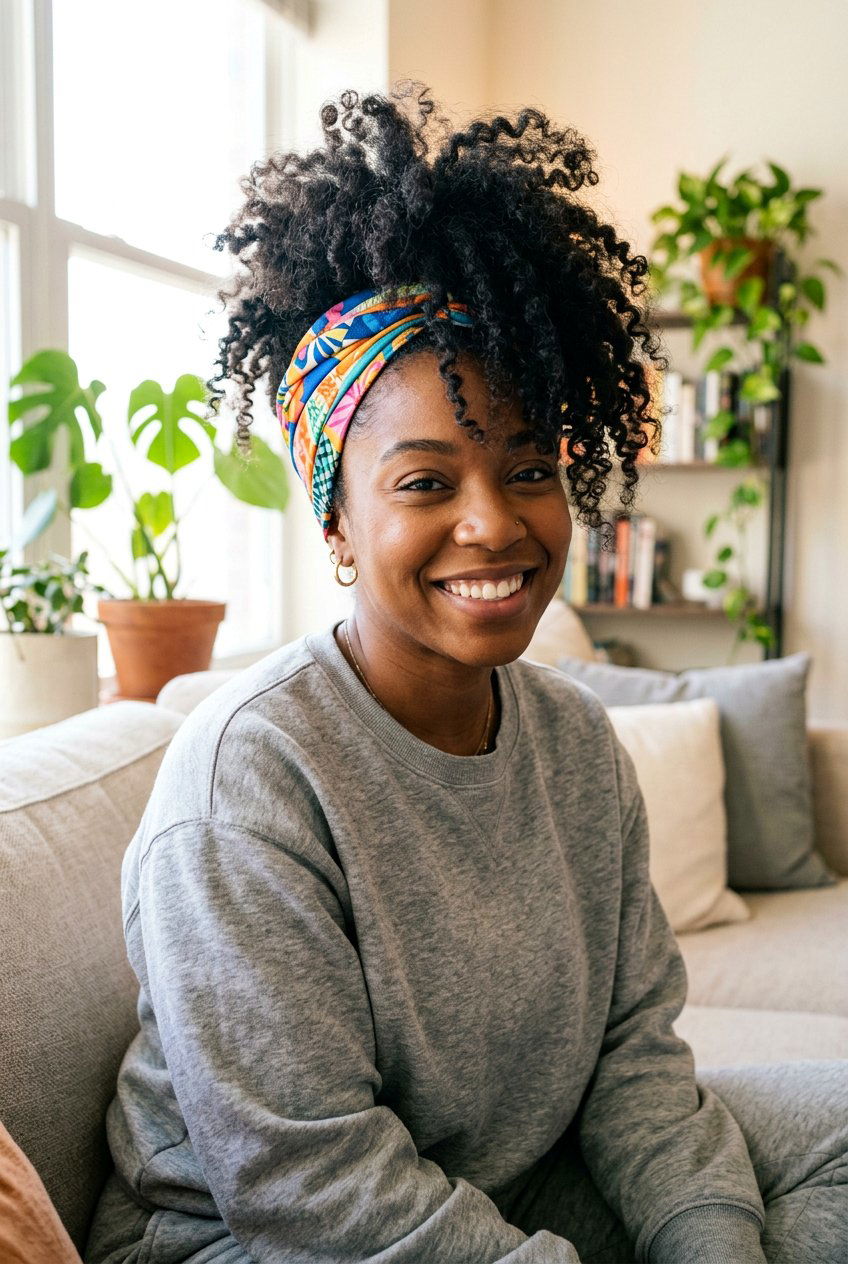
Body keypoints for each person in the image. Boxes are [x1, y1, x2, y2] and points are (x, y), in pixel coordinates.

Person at [84, 85, 847, 1264]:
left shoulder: (577, 744)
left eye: (529, 467)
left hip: (505, 1181)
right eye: (426, 482)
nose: (493, 525)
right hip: (255, 1240)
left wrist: (712, 1242)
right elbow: (308, 1179)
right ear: (336, 523)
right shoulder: (252, 777)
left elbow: (633, 1066)